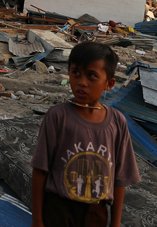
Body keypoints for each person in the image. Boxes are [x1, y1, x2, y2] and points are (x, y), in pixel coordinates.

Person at [30, 42, 140, 227]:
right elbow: (40, 170)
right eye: (76, 73)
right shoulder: (58, 117)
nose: (82, 82)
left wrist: (116, 223)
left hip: (95, 213)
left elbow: (120, 178)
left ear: (109, 83)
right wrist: (37, 220)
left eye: (91, 76)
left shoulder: (116, 123)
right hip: (58, 209)